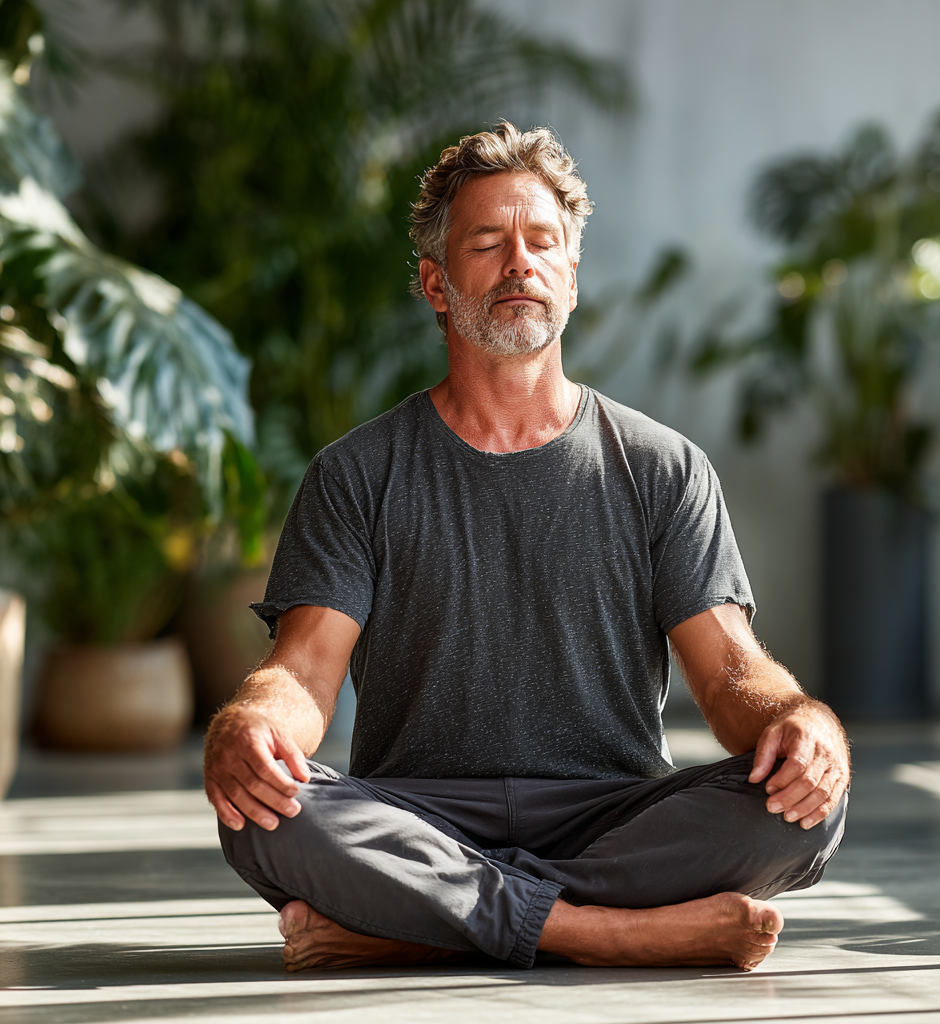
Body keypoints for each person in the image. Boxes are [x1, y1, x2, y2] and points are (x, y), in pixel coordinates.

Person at [204, 122, 849, 973]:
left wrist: (802, 722)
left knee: (800, 805)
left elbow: (731, 673)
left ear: (572, 281)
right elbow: (304, 672)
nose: (520, 263)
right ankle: (608, 932)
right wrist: (252, 722)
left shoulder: (662, 468)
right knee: (266, 811)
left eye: (543, 243)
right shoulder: (357, 473)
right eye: (488, 243)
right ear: (436, 284)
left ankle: (407, 926)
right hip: (417, 814)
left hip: (613, 813)